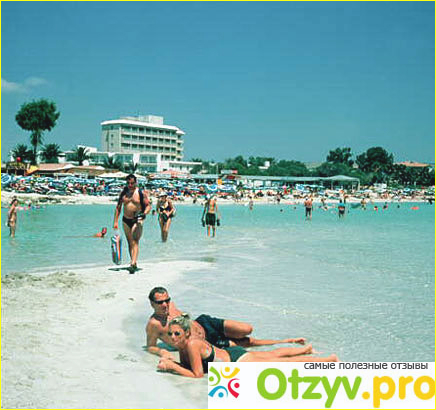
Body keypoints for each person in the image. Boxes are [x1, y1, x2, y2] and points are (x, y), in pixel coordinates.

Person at [145, 287, 305, 360]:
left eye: (167, 300)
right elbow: (150, 346)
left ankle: (291, 345)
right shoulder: (154, 324)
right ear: (152, 304)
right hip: (208, 342)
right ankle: (288, 341)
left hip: (205, 323)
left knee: (246, 329)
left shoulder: (171, 306)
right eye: (160, 302)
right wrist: (162, 352)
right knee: (247, 343)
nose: (165, 304)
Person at [157, 314, 339, 378]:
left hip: (237, 361)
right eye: (170, 334)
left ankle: (328, 360)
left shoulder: (192, 344)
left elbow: (197, 375)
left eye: (177, 334)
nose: (172, 337)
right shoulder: (183, 345)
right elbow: (191, 368)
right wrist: (172, 363)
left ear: (186, 333)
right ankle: (306, 350)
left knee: (281, 363)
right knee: (274, 355)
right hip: (232, 354)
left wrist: (172, 366)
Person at [113, 174, 151, 273]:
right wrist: (115, 221)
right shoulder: (123, 193)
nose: (130, 185)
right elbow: (118, 207)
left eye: (132, 183)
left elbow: (148, 206)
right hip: (125, 220)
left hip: (137, 219)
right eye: (128, 183)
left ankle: (133, 263)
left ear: (136, 182)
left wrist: (144, 213)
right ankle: (133, 262)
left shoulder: (141, 193)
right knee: (130, 242)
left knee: (135, 240)